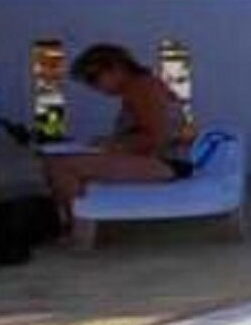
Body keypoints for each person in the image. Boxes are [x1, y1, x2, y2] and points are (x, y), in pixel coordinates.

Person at [45, 43, 194, 243]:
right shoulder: (138, 89)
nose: (95, 87)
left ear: (116, 68)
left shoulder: (143, 88)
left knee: (61, 166)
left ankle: (77, 229)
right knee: (57, 162)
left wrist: (114, 145)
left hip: (166, 163)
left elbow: (158, 137)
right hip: (159, 160)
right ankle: (74, 222)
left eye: (94, 79)